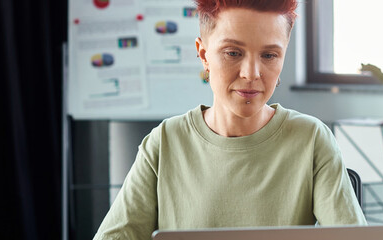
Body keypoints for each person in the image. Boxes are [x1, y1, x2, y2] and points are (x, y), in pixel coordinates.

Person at [94, 0, 366, 239]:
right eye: (233, 53)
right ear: (203, 55)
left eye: (269, 55)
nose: (251, 73)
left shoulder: (312, 139)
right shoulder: (164, 143)